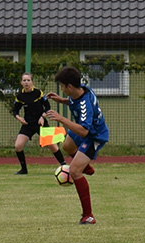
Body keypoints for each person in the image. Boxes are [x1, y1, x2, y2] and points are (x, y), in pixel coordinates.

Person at [45, 66, 110, 225]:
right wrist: (62, 100)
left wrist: (61, 118)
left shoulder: (85, 104)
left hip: (94, 136)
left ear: (69, 86)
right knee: (67, 145)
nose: (61, 89)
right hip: (85, 130)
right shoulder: (81, 90)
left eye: (62, 86)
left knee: (74, 171)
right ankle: (86, 167)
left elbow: (83, 131)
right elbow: (74, 101)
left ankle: (88, 215)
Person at [12, 72, 65, 174]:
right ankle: (24, 169)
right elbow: (15, 111)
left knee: (52, 145)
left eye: (28, 80)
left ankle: (64, 165)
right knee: (18, 146)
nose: (26, 82)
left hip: (40, 123)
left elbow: (47, 106)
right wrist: (19, 118)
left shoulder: (38, 93)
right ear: (21, 82)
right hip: (28, 124)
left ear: (32, 82)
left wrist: (42, 117)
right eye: (24, 80)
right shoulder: (20, 96)